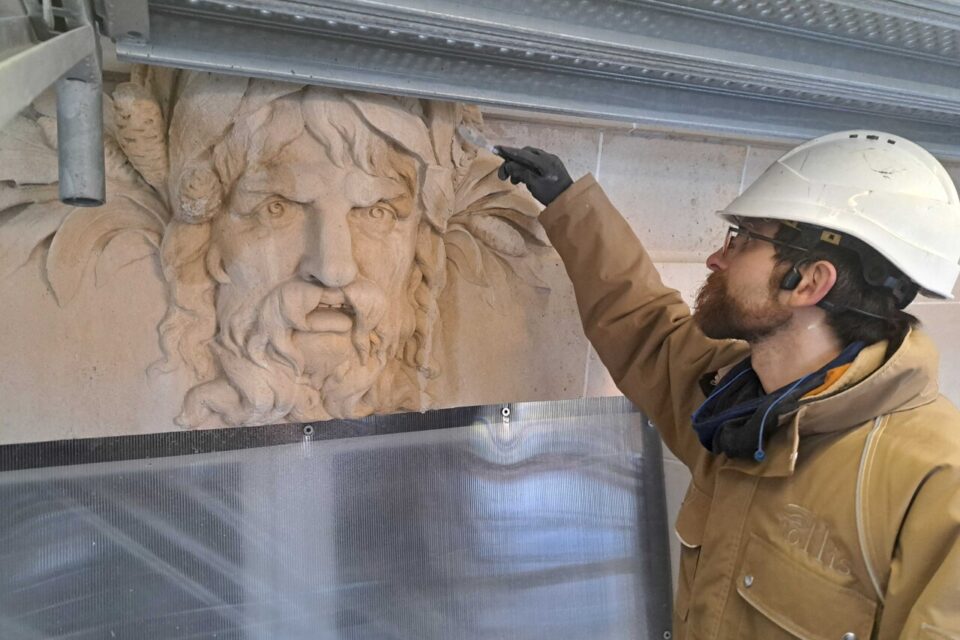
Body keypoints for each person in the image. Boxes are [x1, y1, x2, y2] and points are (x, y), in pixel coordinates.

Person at [497, 132, 960, 639]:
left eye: (743, 239)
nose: (717, 260)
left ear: (808, 282)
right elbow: (648, 328)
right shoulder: (738, 402)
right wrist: (569, 203)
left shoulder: (936, 481)